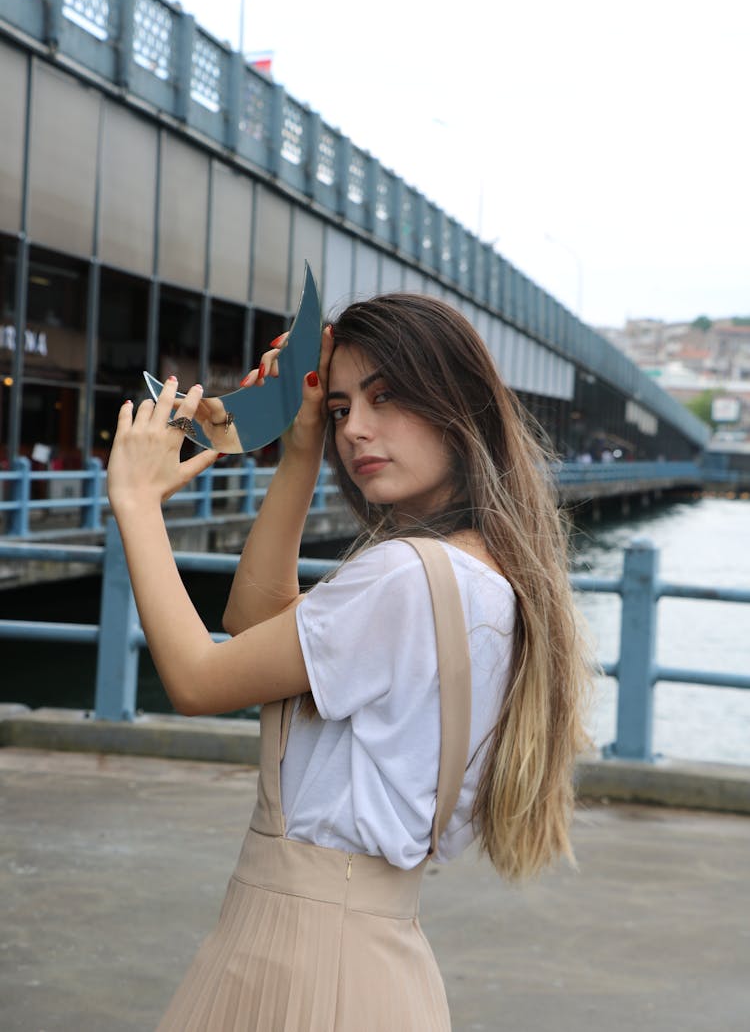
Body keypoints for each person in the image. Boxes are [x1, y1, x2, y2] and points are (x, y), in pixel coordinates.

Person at [107, 291, 592, 1031]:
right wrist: (301, 446)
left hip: (303, 956)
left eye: (386, 396)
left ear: (458, 404)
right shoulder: (486, 578)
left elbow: (199, 676)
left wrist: (138, 503)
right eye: (339, 408)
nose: (356, 429)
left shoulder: (404, 577)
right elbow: (257, 621)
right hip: (373, 960)